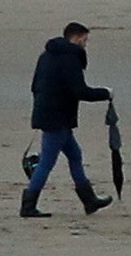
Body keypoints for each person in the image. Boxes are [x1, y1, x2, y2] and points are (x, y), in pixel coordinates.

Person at [21, 22, 112, 219]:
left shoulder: (46, 56)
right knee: (46, 161)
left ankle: (89, 201)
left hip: (49, 114)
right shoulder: (70, 59)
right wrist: (106, 93)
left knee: (75, 155)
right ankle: (28, 205)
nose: (85, 45)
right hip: (57, 118)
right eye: (85, 40)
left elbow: (35, 86)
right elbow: (80, 91)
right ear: (77, 38)